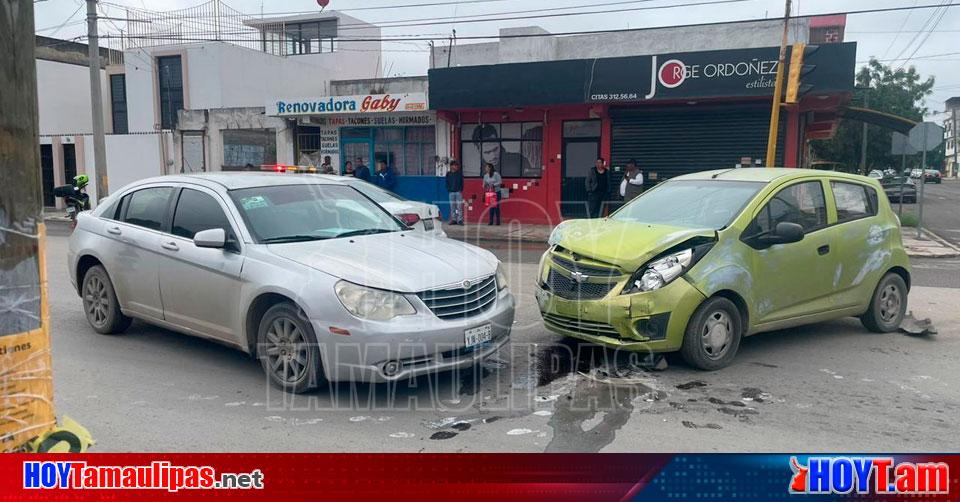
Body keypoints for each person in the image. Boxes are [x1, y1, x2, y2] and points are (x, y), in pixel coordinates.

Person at [446, 160, 464, 225]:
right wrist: (449, 189)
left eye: (457, 165)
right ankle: (454, 219)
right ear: (451, 166)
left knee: (459, 206)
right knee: (452, 206)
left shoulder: (459, 173)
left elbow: (462, 183)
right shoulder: (448, 174)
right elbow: (447, 182)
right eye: (454, 165)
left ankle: (460, 220)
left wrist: (460, 189)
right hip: (451, 192)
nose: (456, 167)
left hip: (458, 192)